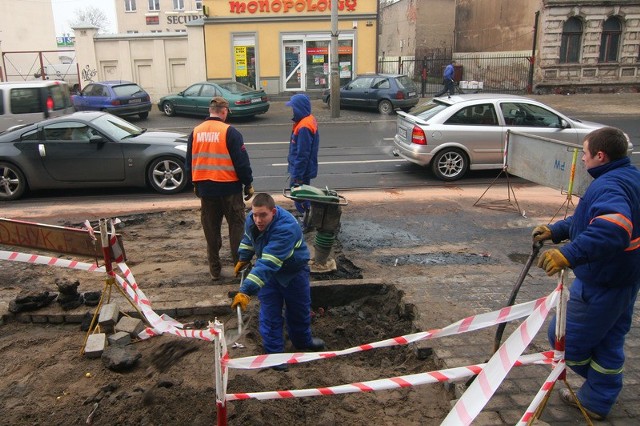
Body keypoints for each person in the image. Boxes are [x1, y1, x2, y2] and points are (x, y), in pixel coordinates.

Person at [532, 126, 640, 420]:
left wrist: (569, 254)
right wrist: (557, 230)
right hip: (623, 280)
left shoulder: (608, 186)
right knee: (608, 340)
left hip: (601, 282)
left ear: (600, 156)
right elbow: (589, 219)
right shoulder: (628, 176)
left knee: (565, 341)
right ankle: (598, 399)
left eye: (586, 153)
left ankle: (598, 388)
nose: (582, 160)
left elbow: (613, 228)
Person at [231, 193, 325, 370]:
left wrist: (246, 290)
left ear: (273, 212)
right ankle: (275, 355)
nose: (258, 219)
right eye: (255, 214)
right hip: (269, 274)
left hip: (293, 272)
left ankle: (302, 341)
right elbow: (248, 240)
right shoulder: (252, 220)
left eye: (263, 215)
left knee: (299, 309)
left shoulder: (286, 228)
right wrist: (244, 257)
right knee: (269, 314)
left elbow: (269, 262)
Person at [186, 96, 254, 282]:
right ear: (224, 112)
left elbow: (189, 163)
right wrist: (248, 184)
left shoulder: (196, 132)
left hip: (206, 191)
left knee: (211, 229)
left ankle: (215, 270)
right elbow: (241, 163)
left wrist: (195, 184)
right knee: (237, 228)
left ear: (210, 111)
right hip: (229, 189)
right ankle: (240, 269)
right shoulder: (230, 132)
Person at [286, 93, 319, 216]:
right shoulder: (307, 120)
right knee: (302, 196)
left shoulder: (304, 126)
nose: (292, 110)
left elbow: (302, 154)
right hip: (303, 169)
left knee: (300, 197)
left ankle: (308, 219)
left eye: (293, 108)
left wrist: (297, 176)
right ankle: (308, 217)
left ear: (299, 108)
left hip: (301, 171)